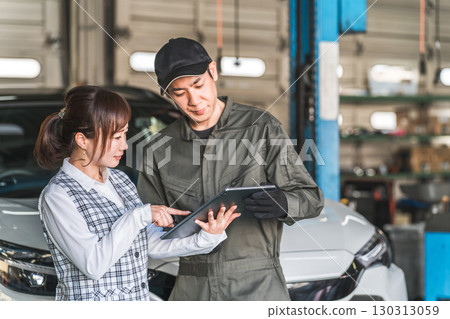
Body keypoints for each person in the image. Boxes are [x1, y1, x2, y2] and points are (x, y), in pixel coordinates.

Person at [137, 38, 324, 301]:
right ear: (169, 95)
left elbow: (311, 198)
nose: (193, 100)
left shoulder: (261, 128)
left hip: (258, 285)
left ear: (212, 71)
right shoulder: (158, 149)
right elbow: (148, 227)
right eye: (179, 93)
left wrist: (284, 203)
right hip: (194, 290)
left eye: (198, 84)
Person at [34, 85, 239, 301]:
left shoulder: (120, 181)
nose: (124, 145)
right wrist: (140, 215)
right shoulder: (58, 196)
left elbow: (147, 244)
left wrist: (207, 236)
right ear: (82, 140)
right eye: (116, 137)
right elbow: (93, 265)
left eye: (124, 134)